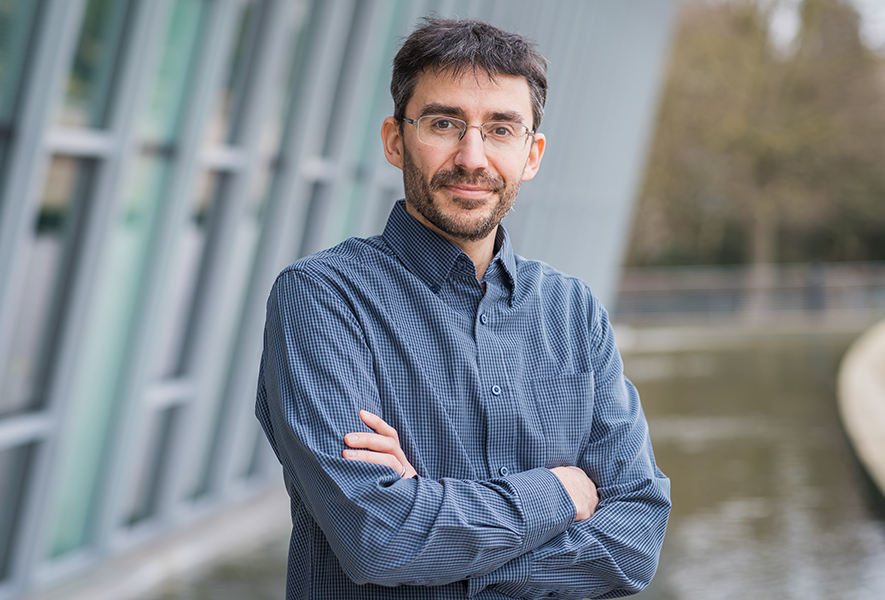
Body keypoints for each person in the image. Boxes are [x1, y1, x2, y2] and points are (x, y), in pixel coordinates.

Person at [255, 17, 671, 600]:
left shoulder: (573, 312)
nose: (472, 157)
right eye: (444, 123)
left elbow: (634, 542)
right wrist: (560, 492)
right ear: (396, 140)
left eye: (501, 129)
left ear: (532, 153)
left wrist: (433, 523)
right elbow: (379, 535)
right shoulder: (323, 299)